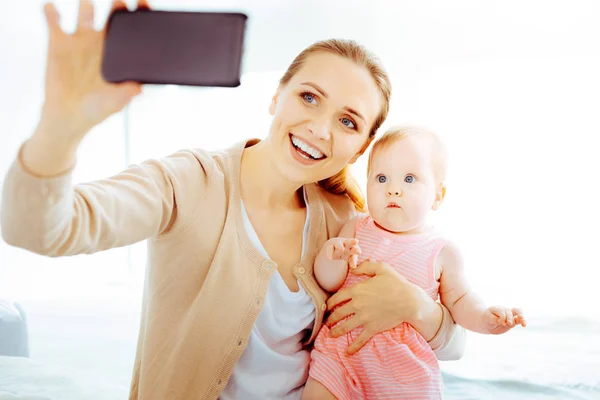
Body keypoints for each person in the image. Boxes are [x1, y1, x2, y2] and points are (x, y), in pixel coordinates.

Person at [0, 1, 466, 399]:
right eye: (308, 97)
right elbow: (40, 229)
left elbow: (454, 340)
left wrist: (416, 307)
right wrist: (60, 127)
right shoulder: (188, 182)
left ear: (362, 146)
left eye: (348, 122)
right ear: (275, 97)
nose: (320, 129)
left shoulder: (348, 221)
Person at [303, 126, 527, 400]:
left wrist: (485, 318)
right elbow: (330, 283)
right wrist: (331, 257)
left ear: (438, 196)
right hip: (339, 355)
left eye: (409, 179)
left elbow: (460, 302)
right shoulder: (355, 228)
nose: (393, 190)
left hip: (402, 373)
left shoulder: (441, 251)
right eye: (381, 178)